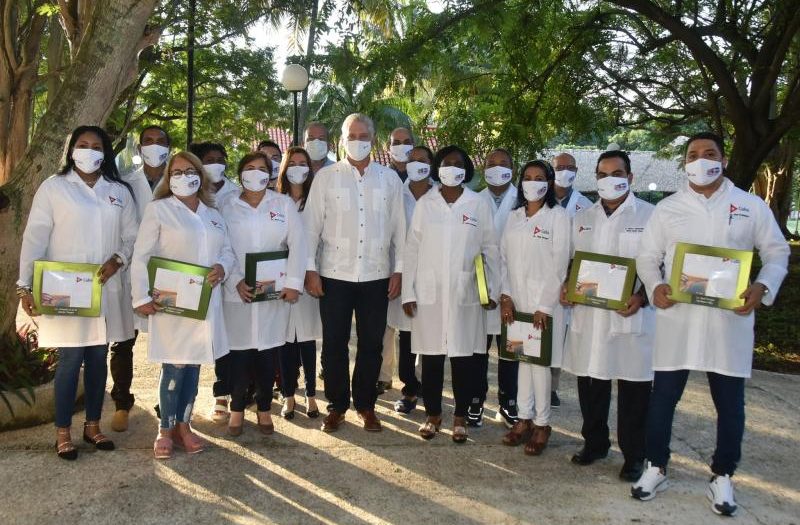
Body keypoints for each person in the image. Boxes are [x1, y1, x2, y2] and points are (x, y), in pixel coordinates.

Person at [632, 132, 790, 516]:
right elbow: (647, 257)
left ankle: (722, 475)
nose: (701, 160)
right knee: (663, 399)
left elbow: (776, 251)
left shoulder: (749, 206)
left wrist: (762, 285)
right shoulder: (668, 208)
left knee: (730, 405)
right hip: (678, 319)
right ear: (684, 163)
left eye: (710, 153)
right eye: (693, 155)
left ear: (723, 159)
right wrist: (654, 286)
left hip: (727, 323)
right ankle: (655, 466)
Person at [17, 125, 139, 460]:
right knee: (70, 360)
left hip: (104, 287)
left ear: (105, 152)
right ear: (71, 150)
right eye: (82, 145)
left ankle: (93, 426)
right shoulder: (54, 188)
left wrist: (118, 259)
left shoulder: (118, 191)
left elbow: (132, 234)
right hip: (64, 289)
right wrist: (25, 285)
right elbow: (35, 236)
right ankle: (62, 432)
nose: (89, 151)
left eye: (96, 146)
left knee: (99, 357)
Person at [304, 113, 405, 433]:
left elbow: (400, 231)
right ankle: (336, 406)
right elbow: (310, 229)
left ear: (373, 140)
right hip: (334, 273)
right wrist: (310, 269)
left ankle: (365, 405)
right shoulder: (326, 178)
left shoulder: (389, 180)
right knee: (333, 344)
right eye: (352, 135)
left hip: (376, 274)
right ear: (342, 140)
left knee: (372, 343)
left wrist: (399, 270)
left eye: (364, 136)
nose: (358, 141)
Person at [131, 151, 235, 459]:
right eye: (175, 172)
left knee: (192, 367)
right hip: (172, 304)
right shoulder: (159, 209)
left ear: (200, 176)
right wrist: (141, 297)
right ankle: (165, 428)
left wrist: (223, 267)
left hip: (204, 304)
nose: (183, 176)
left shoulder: (213, 213)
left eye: (189, 170)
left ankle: (184, 425)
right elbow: (141, 256)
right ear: (167, 178)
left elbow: (227, 250)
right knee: (174, 365)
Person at [561, 150, 655, 482]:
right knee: (591, 384)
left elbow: (664, 265)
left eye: (616, 174)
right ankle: (595, 443)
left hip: (630, 315)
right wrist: (566, 285)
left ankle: (634, 455)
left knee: (633, 390)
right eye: (602, 174)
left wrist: (642, 296)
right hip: (590, 317)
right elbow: (572, 262)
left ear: (630, 178)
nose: (608, 180)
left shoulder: (650, 216)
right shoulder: (583, 217)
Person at [401, 145, 499, 443]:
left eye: (458, 163)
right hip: (429, 293)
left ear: (466, 170)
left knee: (463, 359)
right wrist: (408, 292)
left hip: (465, 292)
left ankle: (459, 417)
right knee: (431, 358)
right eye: (446, 163)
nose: (452, 167)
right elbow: (412, 248)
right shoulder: (426, 203)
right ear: (438, 168)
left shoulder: (477, 204)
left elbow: (490, 248)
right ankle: (432, 414)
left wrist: (491, 289)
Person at [220, 151, 306, 436]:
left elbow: (298, 244)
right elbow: (221, 248)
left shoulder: (282, 204)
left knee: (268, 353)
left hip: (273, 291)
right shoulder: (226, 205)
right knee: (240, 355)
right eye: (249, 168)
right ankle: (236, 409)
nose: (255, 174)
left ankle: (265, 408)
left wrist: (293, 282)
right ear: (240, 173)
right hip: (238, 292)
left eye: (262, 169)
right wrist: (234, 279)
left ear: (270, 175)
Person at [499, 160, 570, 455]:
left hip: (544, 306)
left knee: (539, 366)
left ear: (549, 182)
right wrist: (505, 296)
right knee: (522, 362)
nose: (533, 182)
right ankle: (524, 419)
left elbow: (560, 264)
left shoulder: (558, 217)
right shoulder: (514, 217)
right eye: (527, 178)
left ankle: (542, 424)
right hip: (517, 304)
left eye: (539, 178)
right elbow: (503, 259)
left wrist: (544, 305)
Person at [109, 124, 172, 432]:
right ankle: (122, 402)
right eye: (148, 141)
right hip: (130, 271)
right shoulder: (125, 184)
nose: (154, 146)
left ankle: (166, 403)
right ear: (139, 148)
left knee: (168, 341)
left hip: (166, 273)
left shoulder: (178, 183)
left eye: (160, 141)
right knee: (123, 341)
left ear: (169, 147)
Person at [185, 141, 240, 422]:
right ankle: (181, 401)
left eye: (221, 159)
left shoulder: (238, 192)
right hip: (193, 281)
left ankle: (222, 394)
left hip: (229, 276)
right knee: (189, 340)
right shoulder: (189, 191)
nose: (216, 163)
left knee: (224, 342)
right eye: (209, 159)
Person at [474, 148, 520, 428]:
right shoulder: (474, 201)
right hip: (480, 289)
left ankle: (508, 402)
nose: (497, 168)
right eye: (491, 164)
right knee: (477, 350)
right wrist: (484, 289)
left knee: (510, 351)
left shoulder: (524, 202)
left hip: (514, 290)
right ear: (483, 170)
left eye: (504, 163)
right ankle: (476, 400)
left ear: (513, 169)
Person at [276, 146, 323, 419]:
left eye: (302, 163)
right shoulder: (275, 200)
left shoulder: (317, 200)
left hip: (309, 278)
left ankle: (312, 395)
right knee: (285, 341)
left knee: (306, 339)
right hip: (281, 278)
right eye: (291, 163)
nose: (297, 167)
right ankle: (288, 395)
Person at [389, 145, 436, 414]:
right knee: (405, 338)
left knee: (429, 336)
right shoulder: (397, 192)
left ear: (432, 165)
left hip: (432, 275)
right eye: (412, 160)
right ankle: (409, 389)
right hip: (403, 272)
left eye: (423, 160)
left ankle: (429, 392)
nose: (417, 164)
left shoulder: (442, 194)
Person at [549, 151, 593, 408]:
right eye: (559, 167)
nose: (564, 171)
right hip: (544, 274)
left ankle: (553, 387)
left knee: (563, 334)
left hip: (573, 275)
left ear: (576, 172)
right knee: (545, 332)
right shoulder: (540, 200)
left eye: (569, 167)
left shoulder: (586, 206)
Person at [378, 127, 416, 395]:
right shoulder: (381, 177)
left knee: (415, 324)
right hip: (385, 261)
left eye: (407, 142)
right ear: (387, 146)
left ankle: (415, 381)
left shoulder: (426, 178)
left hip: (420, 262)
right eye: (396, 143)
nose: (401, 146)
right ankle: (383, 375)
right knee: (385, 323)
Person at [189, 142, 240, 210]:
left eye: (220, 160)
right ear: (199, 163)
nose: (216, 164)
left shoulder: (235, 191)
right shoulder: (193, 190)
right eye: (210, 160)